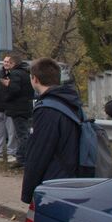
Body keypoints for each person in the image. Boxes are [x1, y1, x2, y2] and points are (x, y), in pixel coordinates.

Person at [20, 58, 84, 205]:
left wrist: (28, 193)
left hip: (54, 181)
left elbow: (39, 153)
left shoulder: (47, 109)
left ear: (35, 79)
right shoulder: (71, 101)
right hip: (72, 175)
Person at [0, 54, 34, 165]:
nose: (7, 65)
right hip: (26, 107)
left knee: (22, 135)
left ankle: (22, 158)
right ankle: (24, 157)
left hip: (18, 108)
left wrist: (7, 92)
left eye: (9, 63)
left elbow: (14, 90)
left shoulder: (15, 73)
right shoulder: (26, 73)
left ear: (13, 64)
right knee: (25, 133)